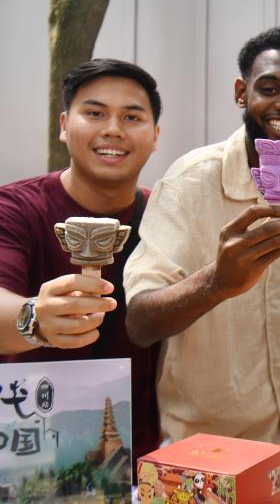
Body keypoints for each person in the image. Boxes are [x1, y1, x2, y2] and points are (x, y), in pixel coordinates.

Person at [123, 26, 280, 503]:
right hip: (206, 455)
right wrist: (216, 283)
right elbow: (139, 321)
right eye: (269, 88)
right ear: (242, 93)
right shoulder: (189, 182)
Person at [0, 58, 162, 468]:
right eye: (94, 113)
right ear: (63, 124)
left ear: (155, 135)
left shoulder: (165, 217)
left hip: (139, 455)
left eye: (132, 117)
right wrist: (35, 317)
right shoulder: (15, 208)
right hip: (33, 446)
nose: (113, 129)